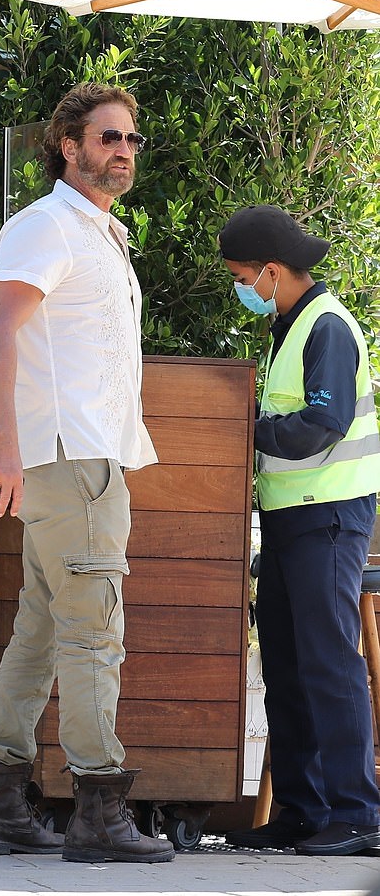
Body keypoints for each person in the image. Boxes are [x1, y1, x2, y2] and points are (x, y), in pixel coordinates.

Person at [0, 82, 174, 864]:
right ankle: (98, 810)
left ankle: (0, 803)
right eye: (108, 137)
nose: (123, 150)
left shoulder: (97, 231)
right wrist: (3, 445)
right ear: (68, 145)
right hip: (72, 459)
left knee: (46, 629)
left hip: (82, 457)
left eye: (131, 139)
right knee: (94, 633)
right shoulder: (48, 225)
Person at [220, 205, 380, 856]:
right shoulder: (289, 327)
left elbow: (322, 424)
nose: (242, 289)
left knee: (330, 663)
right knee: (287, 666)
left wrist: (242, 430)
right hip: (292, 520)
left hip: (328, 517)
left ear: (271, 270)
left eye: (242, 278)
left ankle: (358, 813)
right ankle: (304, 809)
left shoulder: (327, 327)